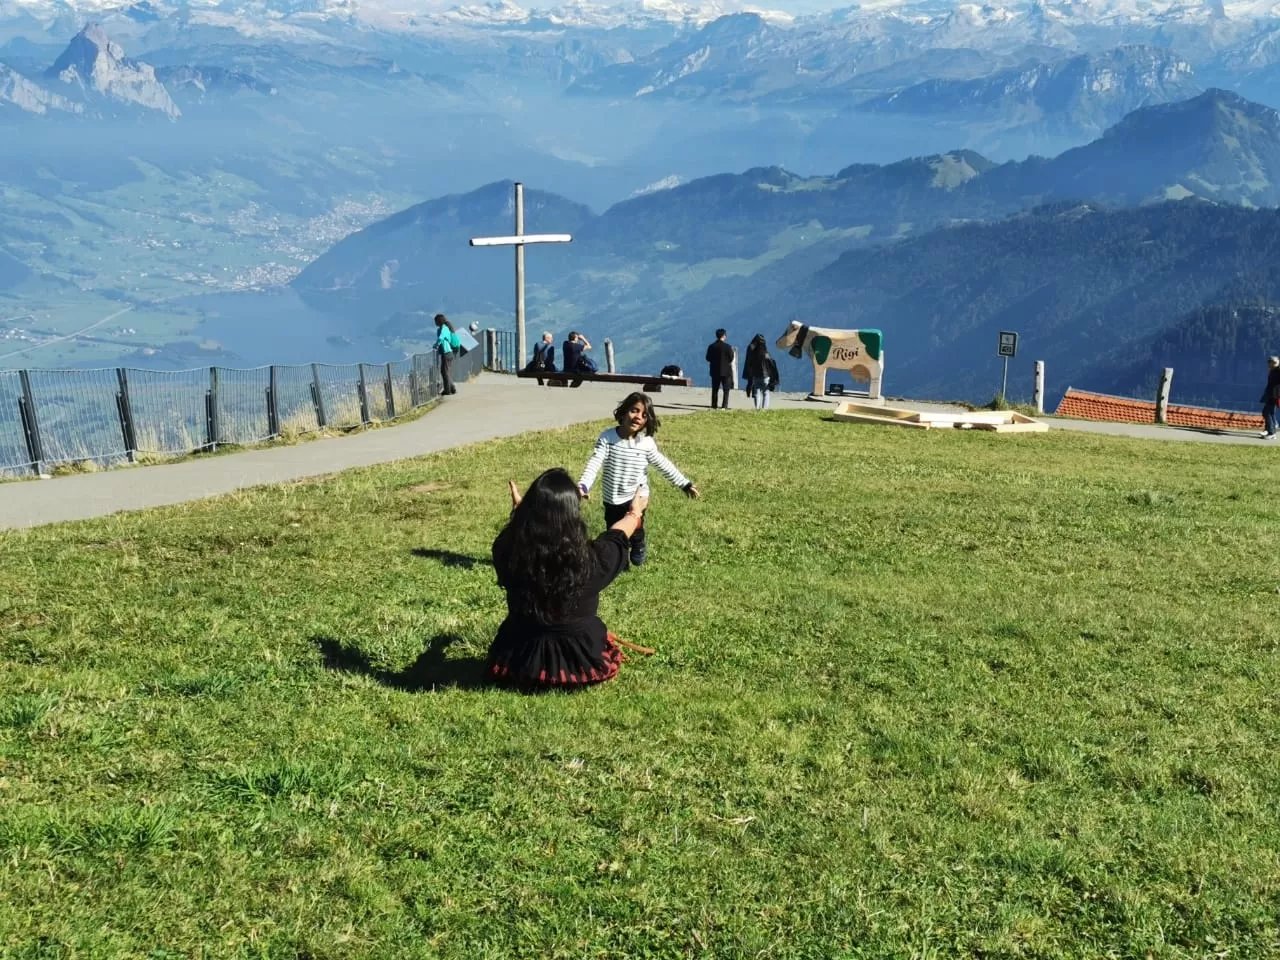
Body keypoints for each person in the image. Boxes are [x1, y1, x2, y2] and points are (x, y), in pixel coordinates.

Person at [488, 468, 647, 689]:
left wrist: (520, 514)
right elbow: (616, 537)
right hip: (580, 661)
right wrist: (634, 513)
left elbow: (511, 538)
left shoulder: (506, 551)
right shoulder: (591, 561)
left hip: (518, 659)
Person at [578, 392, 699, 567]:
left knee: (635, 527)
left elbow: (664, 465)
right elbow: (595, 462)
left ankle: (638, 543)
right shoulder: (607, 438)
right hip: (612, 498)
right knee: (614, 530)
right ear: (624, 411)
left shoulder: (646, 444)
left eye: (644, 415)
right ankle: (619, 560)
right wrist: (583, 486)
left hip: (637, 497)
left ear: (647, 421)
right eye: (634, 411)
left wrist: (685, 484)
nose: (638, 417)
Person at [742, 333, 781, 410]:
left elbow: (749, 364)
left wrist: (750, 377)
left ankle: (757, 407)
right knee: (765, 392)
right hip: (765, 376)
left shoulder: (753, 354)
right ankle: (764, 409)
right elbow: (772, 365)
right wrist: (774, 378)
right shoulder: (766, 355)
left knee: (756, 392)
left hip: (756, 376)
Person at [706, 329, 735, 409]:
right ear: (724, 336)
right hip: (726, 371)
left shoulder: (711, 346)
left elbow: (708, 358)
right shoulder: (728, 347)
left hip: (715, 371)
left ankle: (714, 405)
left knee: (715, 389)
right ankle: (724, 406)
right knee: (726, 390)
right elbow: (731, 358)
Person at [434, 313, 460, 395]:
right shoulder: (446, 328)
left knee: (444, 372)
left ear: (438, 321)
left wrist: (435, 345)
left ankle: (447, 390)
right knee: (447, 371)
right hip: (449, 353)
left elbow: (441, 338)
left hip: (446, 353)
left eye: (435, 321)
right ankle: (452, 388)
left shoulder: (444, 328)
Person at [1261, 355, 1280, 439]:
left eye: (1272, 362)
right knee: (1269, 412)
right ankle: (1272, 428)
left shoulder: (1278, 371)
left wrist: (1277, 395)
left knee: (1266, 412)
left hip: (1276, 395)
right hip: (1270, 395)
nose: (1270, 364)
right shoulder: (1272, 371)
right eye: (1269, 362)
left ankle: (1271, 433)